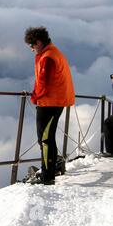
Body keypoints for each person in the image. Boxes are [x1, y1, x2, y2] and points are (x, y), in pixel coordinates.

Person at [24, 26, 75, 185]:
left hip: (50, 103)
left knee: (45, 139)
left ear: (38, 42)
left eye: (32, 46)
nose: (32, 50)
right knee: (47, 138)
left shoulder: (48, 57)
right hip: (54, 101)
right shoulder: (52, 53)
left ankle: (48, 176)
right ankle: (53, 165)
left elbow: (44, 84)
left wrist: (34, 97)